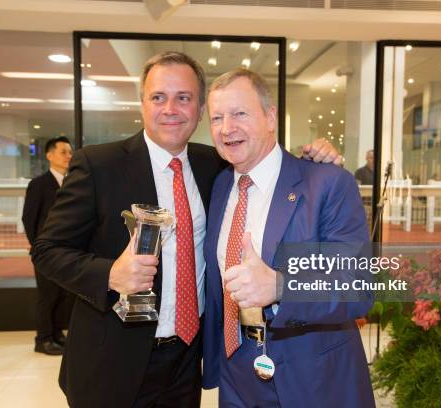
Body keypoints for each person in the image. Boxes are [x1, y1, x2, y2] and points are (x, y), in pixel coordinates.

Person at [32, 52, 340, 408]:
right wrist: (109, 275)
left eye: (184, 97)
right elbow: (47, 248)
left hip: (185, 360)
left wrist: (317, 161)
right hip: (111, 360)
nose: (171, 109)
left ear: (199, 109)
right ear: (143, 104)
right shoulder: (99, 165)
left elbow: (270, 166)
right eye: (158, 97)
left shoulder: (216, 165)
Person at [202, 69, 375, 407]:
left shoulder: (327, 184)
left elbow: (357, 286)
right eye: (216, 118)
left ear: (270, 117)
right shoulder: (221, 185)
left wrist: (280, 286)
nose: (226, 128)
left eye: (239, 113)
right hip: (236, 369)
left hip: (311, 375)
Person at [22, 136, 74, 355]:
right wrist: (37, 248)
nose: (69, 156)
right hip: (46, 251)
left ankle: (56, 335)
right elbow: (29, 218)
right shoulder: (39, 184)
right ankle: (42, 339)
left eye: (70, 152)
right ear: (49, 155)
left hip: (69, 252)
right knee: (48, 296)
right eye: (63, 152)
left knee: (63, 295)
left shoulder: (72, 182)